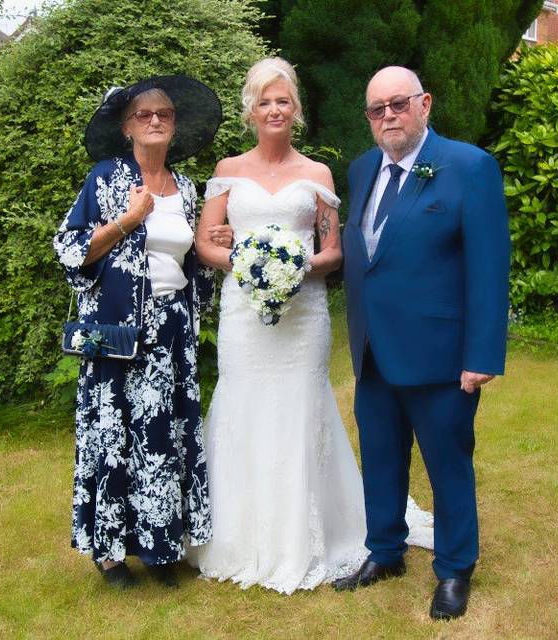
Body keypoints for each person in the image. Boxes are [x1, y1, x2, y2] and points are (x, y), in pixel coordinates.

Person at [193, 57, 433, 594]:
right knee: (242, 405)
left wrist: (294, 269)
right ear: (251, 111)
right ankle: (236, 536)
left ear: (295, 110)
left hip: (303, 317)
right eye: (264, 101)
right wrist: (251, 268)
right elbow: (206, 242)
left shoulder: (318, 176)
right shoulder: (228, 171)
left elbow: (331, 251)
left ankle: (314, 535)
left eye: (283, 100)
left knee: (302, 406)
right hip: (243, 315)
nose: (274, 109)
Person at [333, 66, 510, 620]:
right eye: (376, 108)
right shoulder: (362, 170)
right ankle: (384, 552)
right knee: (381, 459)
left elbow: (489, 267)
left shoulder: (469, 167)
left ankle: (455, 570)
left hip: (440, 356)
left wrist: (481, 356)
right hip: (373, 352)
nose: (388, 115)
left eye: (398, 104)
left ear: (424, 104)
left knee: (447, 464)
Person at [53, 76, 230, 588]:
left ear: (174, 127)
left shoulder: (188, 188)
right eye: (145, 115)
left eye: (165, 114)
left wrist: (216, 240)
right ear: (127, 126)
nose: (156, 121)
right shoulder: (106, 180)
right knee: (114, 437)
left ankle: (160, 546)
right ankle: (109, 554)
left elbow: (193, 260)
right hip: (117, 332)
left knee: (164, 438)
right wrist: (127, 221)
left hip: (172, 331)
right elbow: (69, 251)